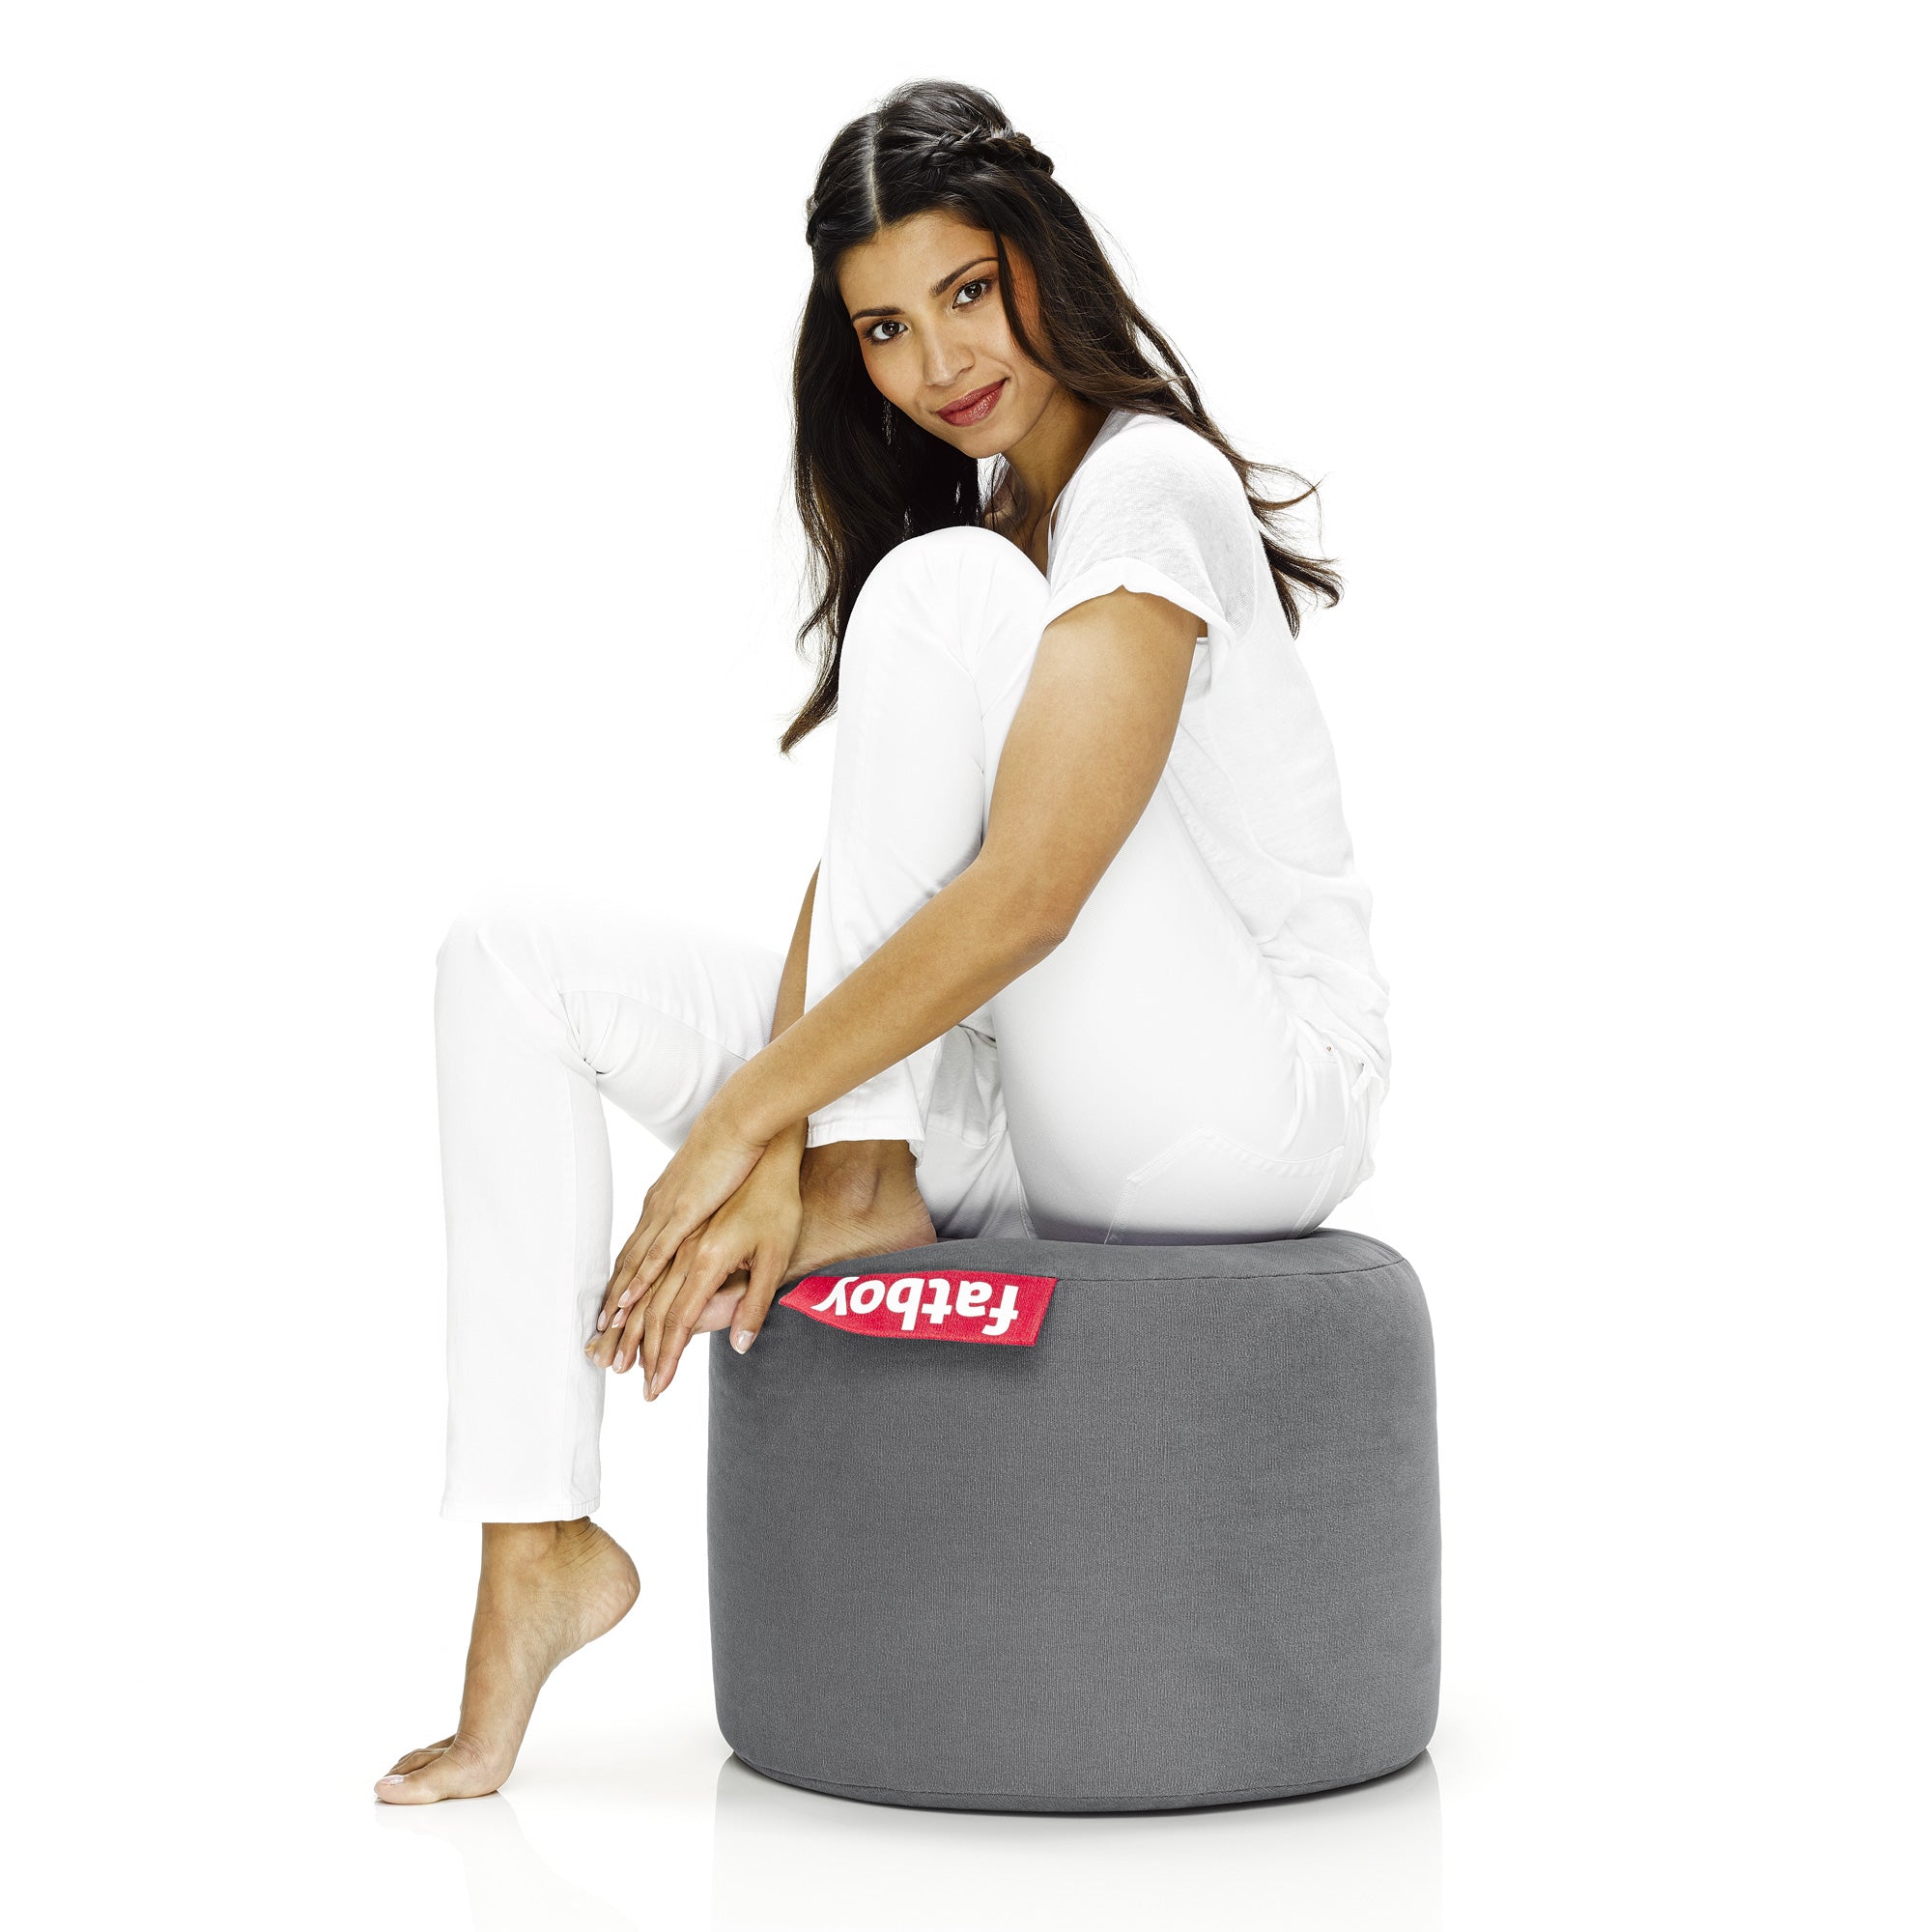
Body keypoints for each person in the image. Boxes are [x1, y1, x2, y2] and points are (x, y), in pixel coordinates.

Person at [377, 77, 1390, 1804]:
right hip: (1049, 1101)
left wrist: (754, 1124)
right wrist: (775, 1131)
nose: (939, 362)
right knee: (509, 964)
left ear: (1042, 257)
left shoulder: (1147, 487)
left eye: (967, 292)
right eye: (885, 329)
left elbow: (1031, 894)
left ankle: (866, 1184)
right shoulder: (996, 538)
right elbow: (865, 888)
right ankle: (534, 1552)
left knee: (938, 591)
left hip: (1253, 1102)